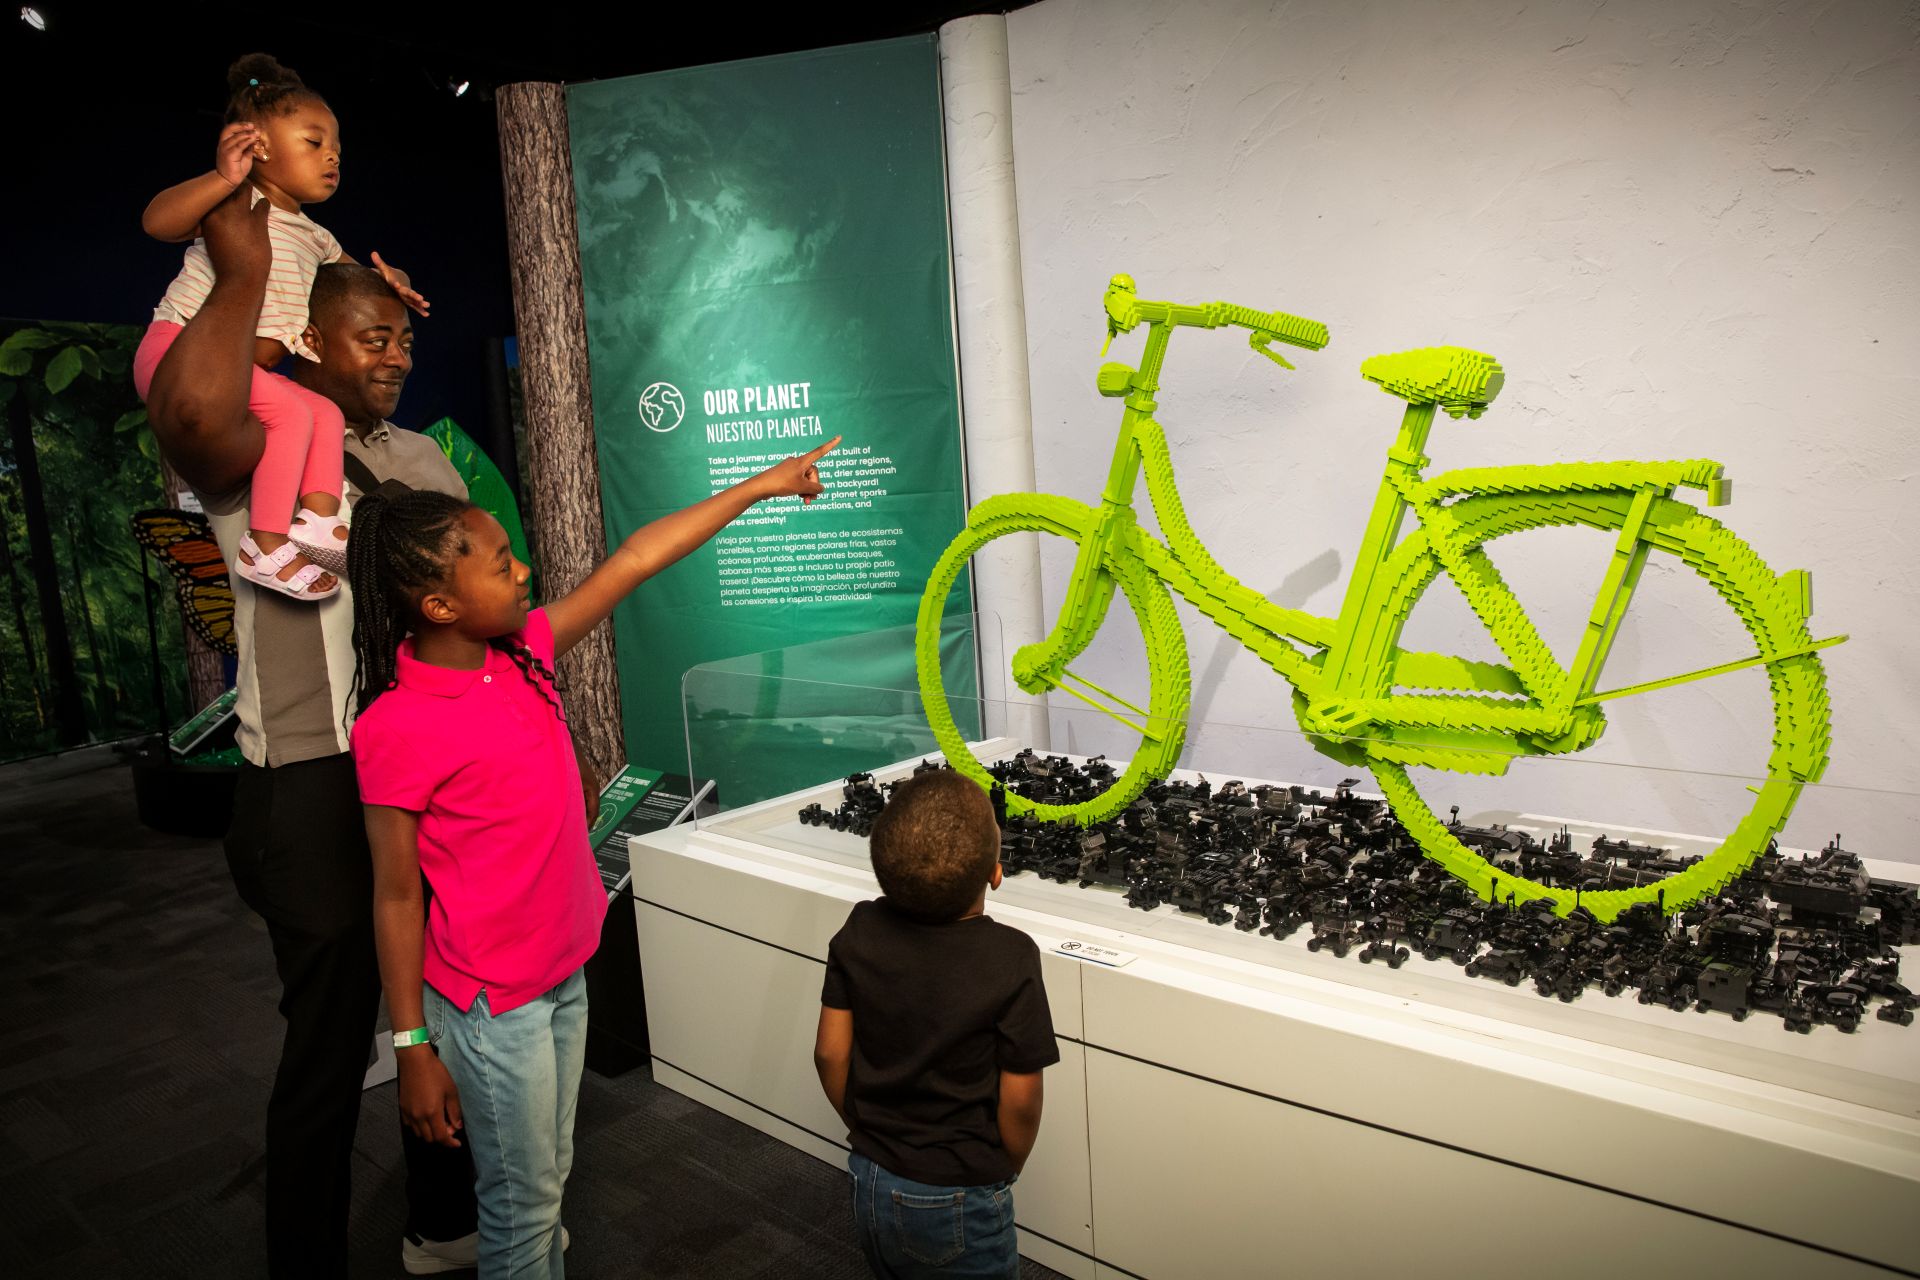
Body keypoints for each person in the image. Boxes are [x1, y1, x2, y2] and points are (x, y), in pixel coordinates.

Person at [348, 437, 839, 1279]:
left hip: (565, 970)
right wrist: (412, 1047)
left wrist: (761, 486)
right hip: (492, 1006)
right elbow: (395, 897)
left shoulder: (524, 653)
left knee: (547, 1181)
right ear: (438, 605)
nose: (522, 572)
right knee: (522, 1210)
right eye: (500, 564)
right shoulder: (394, 727)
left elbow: (637, 558)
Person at [143, 185, 479, 1277]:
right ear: (311, 337)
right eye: (372, 337)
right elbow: (191, 418)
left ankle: (443, 1221)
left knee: (442, 1013)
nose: (396, 356)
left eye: (404, 339)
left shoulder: (424, 457)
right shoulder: (259, 438)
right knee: (331, 1052)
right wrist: (248, 272)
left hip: (422, 771)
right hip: (312, 782)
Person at [136, 51, 427, 601]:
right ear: (260, 147)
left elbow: (358, 285)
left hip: (246, 374)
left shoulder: (316, 236)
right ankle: (265, 543)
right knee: (293, 416)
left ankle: (319, 522)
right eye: (314, 143)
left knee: (324, 413)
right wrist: (222, 176)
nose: (332, 155)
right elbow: (157, 222)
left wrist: (397, 278)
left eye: (336, 148)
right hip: (179, 353)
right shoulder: (235, 200)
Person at [814, 769, 1059, 1280]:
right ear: (995, 873)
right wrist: (1006, 1163)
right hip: (960, 1194)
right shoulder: (1012, 957)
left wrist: (866, 1127)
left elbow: (830, 1053)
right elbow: (1021, 1098)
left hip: (869, 1176)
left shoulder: (860, 927)